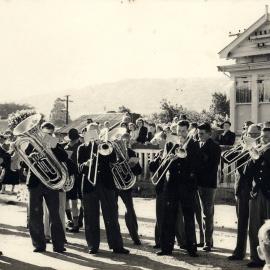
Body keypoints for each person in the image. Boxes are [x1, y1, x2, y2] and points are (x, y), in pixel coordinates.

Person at [77, 123, 129, 254]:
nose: (93, 135)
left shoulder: (106, 146)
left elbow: (113, 160)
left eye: (96, 132)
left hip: (106, 184)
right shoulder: (82, 148)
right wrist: (86, 164)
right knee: (90, 217)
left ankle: (117, 246)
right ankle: (93, 246)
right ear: (86, 134)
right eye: (90, 132)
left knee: (112, 216)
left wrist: (105, 146)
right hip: (89, 185)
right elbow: (79, 168)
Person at [18, 117, 68, 253]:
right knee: (35, 215)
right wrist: (31, 157)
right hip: (35, 183)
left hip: (52, 183)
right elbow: (22, 163)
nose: (48, 135)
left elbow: (64, 157)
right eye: (45, 133)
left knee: (55, 215)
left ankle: (58, 245)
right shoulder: (31, 144)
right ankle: (39, 245)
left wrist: (54, 148)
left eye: (50, 133)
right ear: (40, 131)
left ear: (53, 133)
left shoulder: (54, 143)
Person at [156, 120, 200, 257]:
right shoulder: (170, 143)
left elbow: (196, 165)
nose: (181, 134)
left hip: (187, 185)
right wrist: (169, 159)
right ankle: (166, 248)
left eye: (183, 131)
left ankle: (191, 248)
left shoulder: (193, 145)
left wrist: (184, 157)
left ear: (188, 131)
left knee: (188, 217)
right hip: (172, 185)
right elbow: (163, 166)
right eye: (179, 131)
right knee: (169, 217)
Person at [227, 124, 261, 261]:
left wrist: (254, 151)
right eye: (249, 134)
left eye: (254, 134)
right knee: (241, 223)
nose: (252, 137)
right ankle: (239, 252)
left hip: (254, 190)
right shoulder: (243, 147)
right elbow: (228, 159)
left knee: (255, 225)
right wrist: (242, 149)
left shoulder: (262, 149)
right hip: (242, 189)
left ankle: (258, 254)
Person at [245, 125, 270, 268]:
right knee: (254, 226)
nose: (263, 139)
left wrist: (264, 152)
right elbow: (248, 172)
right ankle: (256, 258)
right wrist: (253, 157)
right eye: (262, 136)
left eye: (266, 137)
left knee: (269, 229)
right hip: (257, 192)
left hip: (269, 193)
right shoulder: (258, 151)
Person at [197, 122, 221, 252]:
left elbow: (212, 167)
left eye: (202, 134)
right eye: (198, 133)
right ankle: (204, 240)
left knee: (208, 213)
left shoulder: (215, 147)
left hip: (208, 184)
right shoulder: (197, 144)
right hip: (198, 183)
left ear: (209, 134)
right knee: (200, 213)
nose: (199, 136)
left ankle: (208, 242)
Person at [115, 133, 142, 245]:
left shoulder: (131, 152)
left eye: (126, 142)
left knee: (130, 209)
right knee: (113, 211)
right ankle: (116, 238)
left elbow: (139, 171)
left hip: (126, 185)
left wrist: (133, 165)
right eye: (122, 141)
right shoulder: (112, 152)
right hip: (114, 184)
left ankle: (135, 236)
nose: (124, 144)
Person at [64, 128, 82, 233]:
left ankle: (72, 221)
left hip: (70, 175)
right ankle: (76, 222)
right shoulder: (80, 146)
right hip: (78, 175)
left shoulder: (67, 146)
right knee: (76, 200)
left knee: (69, 199)